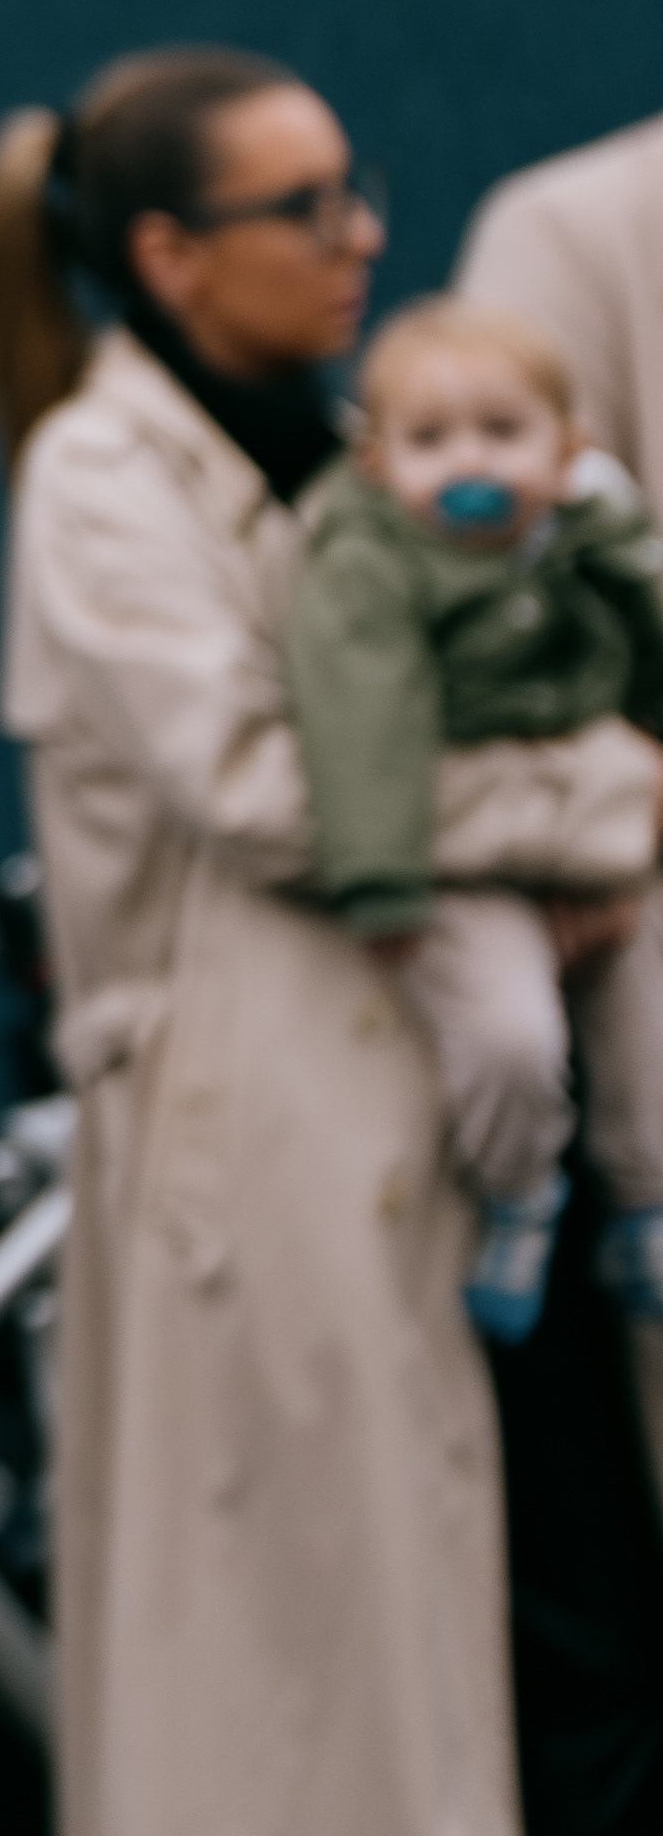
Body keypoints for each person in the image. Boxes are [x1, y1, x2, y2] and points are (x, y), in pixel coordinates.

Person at [0, 48, 661, 1836]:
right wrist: (609, 801)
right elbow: (273, 787)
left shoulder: (357, 448)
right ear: (171, 254)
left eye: (353, 191)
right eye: (304, 207)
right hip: (262, 1157)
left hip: (443, 1131)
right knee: (298, 1692)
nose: (361, 234)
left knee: (513, 1637)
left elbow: (487, 693)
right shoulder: (103, 477)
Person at [283, 297, 663, 1349]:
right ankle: (521, 1191)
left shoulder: (588, 532)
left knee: (650, 1022)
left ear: (567, 446)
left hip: (602, 842)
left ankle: (647, 1201)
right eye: (432, 439)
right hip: (465, 863)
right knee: (508, 1033)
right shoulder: (370, 563)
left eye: (502, 431)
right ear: (376, 461)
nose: (470, 462)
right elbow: (368, 724)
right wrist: (381, 879)